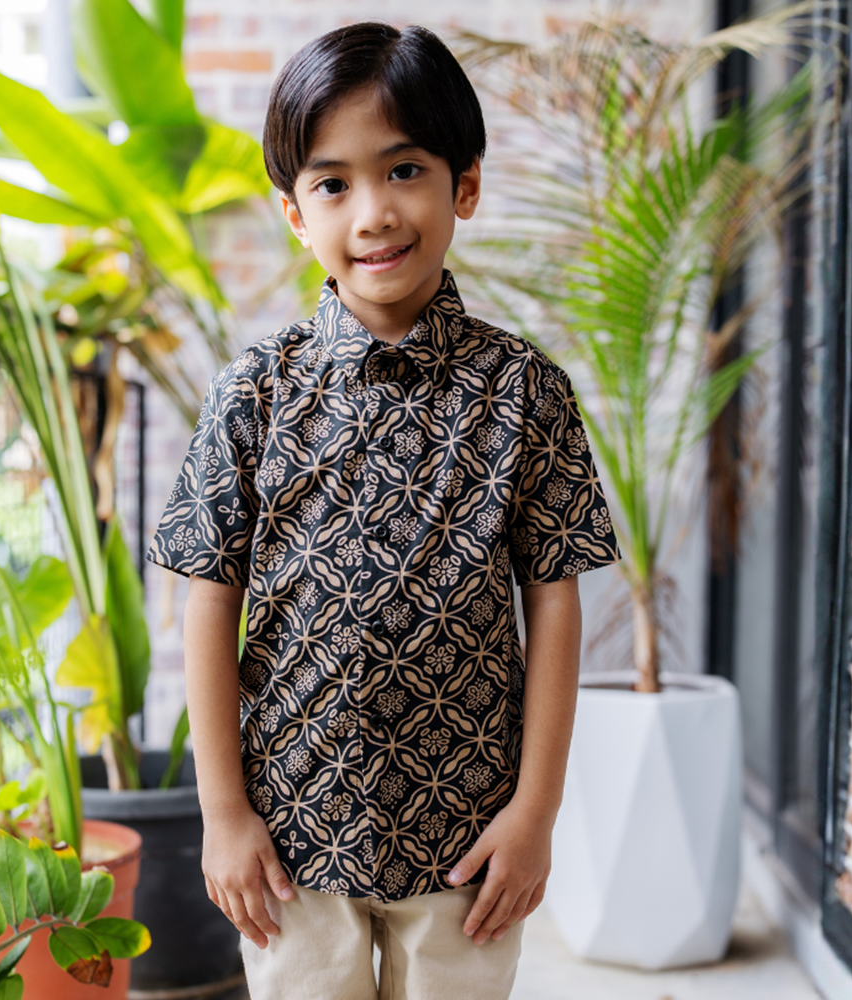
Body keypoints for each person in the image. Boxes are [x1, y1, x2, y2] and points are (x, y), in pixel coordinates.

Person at [148, 21, 620, 1000]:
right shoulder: (255, 394)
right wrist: (225, 814)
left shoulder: (526, 392)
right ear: (292, 212)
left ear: (466, 185)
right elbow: (207, 600)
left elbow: (556, 603)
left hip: (467, 836)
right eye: (333, 183)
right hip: (292, 833)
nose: (373, 213)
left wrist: (534, 814)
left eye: (404, 169)